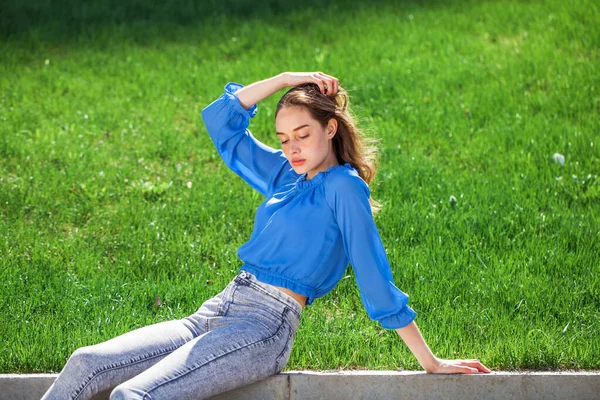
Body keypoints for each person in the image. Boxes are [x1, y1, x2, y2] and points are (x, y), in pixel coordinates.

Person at [41, 71, 490, 400]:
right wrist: (285, 79)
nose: (292, 148)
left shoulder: (344, 187)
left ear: (330, 129)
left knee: (131, 397)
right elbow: (223, 125)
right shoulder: (284, 174)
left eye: (303, 135)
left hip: (265, 327)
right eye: (283, 137)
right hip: (218, 308)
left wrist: (430, 362)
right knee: (86, 362)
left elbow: (375, 278)